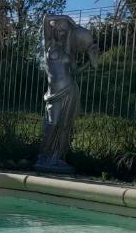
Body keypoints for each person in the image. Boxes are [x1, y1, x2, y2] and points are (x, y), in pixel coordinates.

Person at [34, 15, 100, 174]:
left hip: (70, 90)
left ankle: (58, 158)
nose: (59, 33)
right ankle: (44, 155)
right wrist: (66, 18)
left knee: (65, 126)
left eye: (63, 31)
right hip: (54, 93)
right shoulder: (48, 45)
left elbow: (75, 72)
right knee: (52, 123)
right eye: (56, 30)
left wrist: (89, 63)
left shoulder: (68, 52)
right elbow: (45, 19)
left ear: (67, 33)